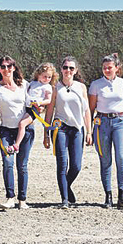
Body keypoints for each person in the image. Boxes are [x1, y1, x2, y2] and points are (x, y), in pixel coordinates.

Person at [0, 56, 35, 210]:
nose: (6, 69)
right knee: (8, 163)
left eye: (9, 66)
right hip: (6, 131)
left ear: (14, 67)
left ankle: (22, 199)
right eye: (3, 67)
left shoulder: (25, 85)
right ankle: (10, 197)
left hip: (25, 131)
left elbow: (34, 107)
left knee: (22, 165)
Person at [88, 53, 123, 209]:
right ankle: (108, 195)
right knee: (105, 159)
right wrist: (89, 130)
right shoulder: (96, 85)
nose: (107, 70)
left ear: (117, 68)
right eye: (104, 68)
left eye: (110, 67)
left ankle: (121, 195)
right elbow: (90, 108)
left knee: (121, 157)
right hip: (102, 122)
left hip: (120, 121)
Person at [43, 57, 92, 209]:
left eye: (71, 68)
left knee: (76, 165)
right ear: (61, 69)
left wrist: (89, 131)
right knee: (62, 163)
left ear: (76, 70)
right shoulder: (55, 88)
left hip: (77, 128)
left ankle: (67, 186)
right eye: (65, 67)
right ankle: (64, 199)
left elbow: (86, 110)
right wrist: (46, 133)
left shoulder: (81, 87)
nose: (68, 71)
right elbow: (50, 111)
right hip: (60, 128)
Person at [11, 62, 56, 153]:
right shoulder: (32, 83)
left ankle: (17, 145)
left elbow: (48, 100)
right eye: (45, 76)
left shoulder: (47, 87)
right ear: (38, 75)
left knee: (22, 124)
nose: (47, 79)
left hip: (34, 109)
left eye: (49, 77)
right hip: (25, 106)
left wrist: (39, 103)